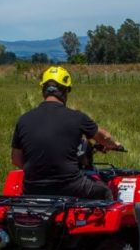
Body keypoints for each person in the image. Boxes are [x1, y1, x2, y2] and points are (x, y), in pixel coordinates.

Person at [11, 66, 123, 200]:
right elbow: (104, 137)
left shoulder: (24, 120)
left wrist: (41, 172)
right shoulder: (77, 117)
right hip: (70, 186)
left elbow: (16, 159)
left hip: (32, 188)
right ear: (65, 92)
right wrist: (114, 145)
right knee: (104, 191)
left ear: (43, 91)